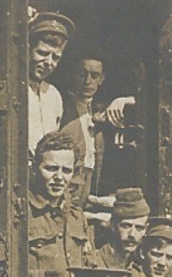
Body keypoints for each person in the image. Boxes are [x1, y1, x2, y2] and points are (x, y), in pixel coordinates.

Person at [25, 130, 102, 277]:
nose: (59, 177)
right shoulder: (21, 214)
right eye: (51, 168)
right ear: (35, 168)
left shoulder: (76, 217)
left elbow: (90, 267)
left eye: (66, 170)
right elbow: (3, 274)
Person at [57, 52, 138, 208]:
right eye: (82, 74)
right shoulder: (60, 104)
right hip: (68, 182)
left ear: (102, 79)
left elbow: (147, 107)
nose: (88, 81)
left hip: (94, 184)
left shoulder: (102, 108)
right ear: (71, 74)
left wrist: (124, 100)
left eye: (94, 76)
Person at [26, 10, 74, 155]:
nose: (48, 62)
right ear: (28, 49)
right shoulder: (17, 88)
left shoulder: (54, 95)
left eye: (56, 57)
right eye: (42, 53)